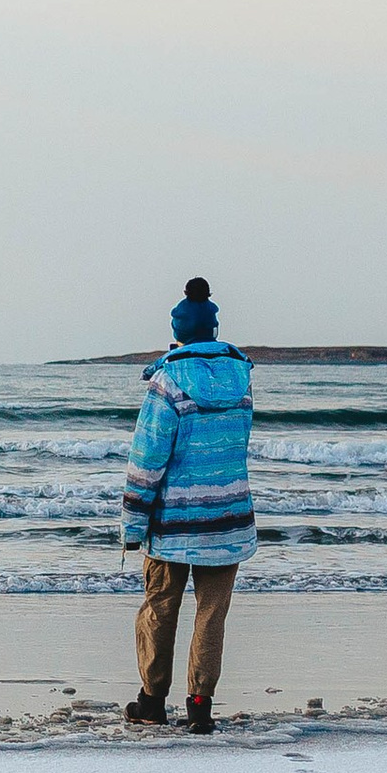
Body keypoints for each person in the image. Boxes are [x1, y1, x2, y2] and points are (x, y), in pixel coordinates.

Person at [121, 278, 255, 732]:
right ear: (214, 331)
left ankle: (152, 701)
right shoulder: (240, 379)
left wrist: (132, 524)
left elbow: (147, 457)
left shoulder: (168, 379)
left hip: (173, 521)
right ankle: (200, 705)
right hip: (227, 517)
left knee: (160, 607)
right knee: (211, 613)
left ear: (177, 331)